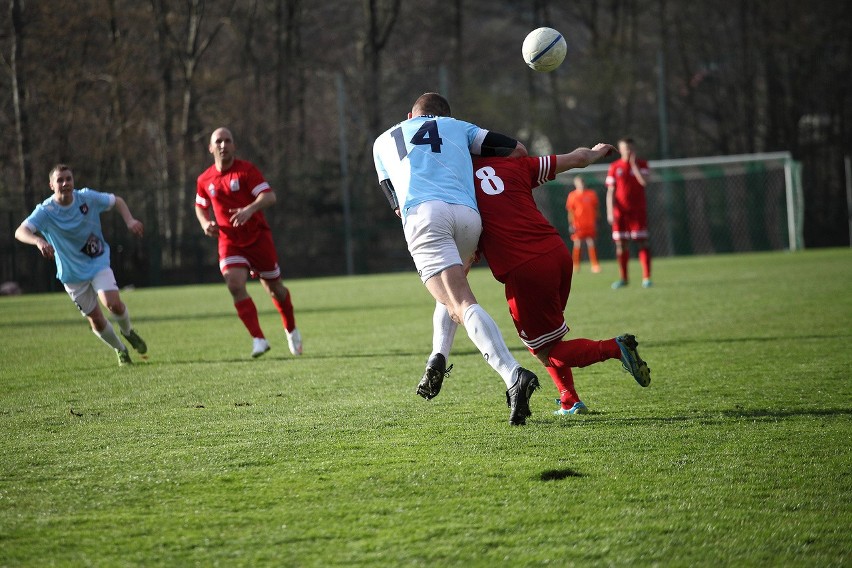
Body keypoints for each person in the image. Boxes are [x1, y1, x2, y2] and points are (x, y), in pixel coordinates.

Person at [427, 143, 652, 416]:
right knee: (551, 337)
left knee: (548, 350)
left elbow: (464, 231)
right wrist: (595, 153)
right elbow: (578, 158)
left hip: (525, 269)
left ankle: (615, 348)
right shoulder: (518, 165)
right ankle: (569, 399)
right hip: (557, 253)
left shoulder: (459, 186)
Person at [372, 92, 540, 426]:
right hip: (468, 216)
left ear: (410, 116)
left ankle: (513, 375)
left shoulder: (382, 140)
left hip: (424, 213)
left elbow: (393, 198)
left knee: (459, 301)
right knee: (452, 291)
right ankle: (437, 357)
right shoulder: (458, 127)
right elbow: (517, 150)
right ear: (446, 115)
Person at [15, 164, 148, 366]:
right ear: (51, 185)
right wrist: (39, 241)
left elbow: (117, 200)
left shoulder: (86, 197)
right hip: (71, 273)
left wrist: (129, 220)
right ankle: (120, 350)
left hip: (97, 261)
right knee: (96, 319)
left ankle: (128, 332)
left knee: (113, 303)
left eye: (68, 179)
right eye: (60, 180)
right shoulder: (46, 210)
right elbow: (20, 231)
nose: (65, 183)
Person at [195, 127, 302, 358]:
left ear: (234, 146)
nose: (223, 145)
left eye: (228, 141)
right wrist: (205, 223)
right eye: (219, 141)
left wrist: (249, 209)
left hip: (257, 238)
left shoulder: (246, 171)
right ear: (211, 148)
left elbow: (269, 196)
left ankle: (291, 329)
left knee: (276, 290)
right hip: (229, 240)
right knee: (234, 284)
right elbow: (200, 205)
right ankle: (258, 339)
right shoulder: (204, 179)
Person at [606, 137, 652, 288]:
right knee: (621, 245)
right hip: (621, 213)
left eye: (630, 148)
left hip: (638, 211)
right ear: (620, 150)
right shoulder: (614, 167)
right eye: (625, 148)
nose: (628, 151)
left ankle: (646, 277)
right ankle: (624, 278)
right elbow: (611, 191)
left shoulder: (642, 164)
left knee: (642, 242)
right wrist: (610, 212)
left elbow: (644, 182)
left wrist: (634, 166)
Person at [565, 175, 601, 273]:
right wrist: (571, 224)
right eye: (579, 183)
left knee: (591, 242)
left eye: (582, 182)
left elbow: (596, 209)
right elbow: (570, 211)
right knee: (578, 244)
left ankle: (595, 265)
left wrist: (597, 221)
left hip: (590, 223)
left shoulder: (591, 194)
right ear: (575, 184)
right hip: (578, 224)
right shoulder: (572, 195)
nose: (581, 184)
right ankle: (576, 266)